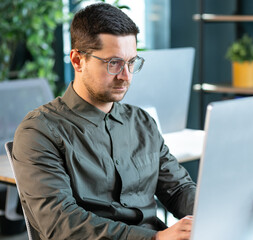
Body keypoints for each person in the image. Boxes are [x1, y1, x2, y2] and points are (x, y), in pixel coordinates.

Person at [12, 3, 196, 240]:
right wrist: (156, 238)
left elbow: (178, 189)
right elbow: (61, 224)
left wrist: (211, 216)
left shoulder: (141, 122)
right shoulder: (38, 131)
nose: (126, 76)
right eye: (114, 63)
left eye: (131, 62)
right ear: (78, 60)